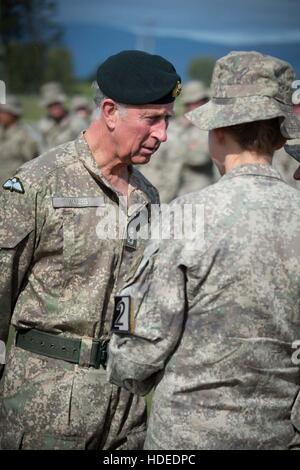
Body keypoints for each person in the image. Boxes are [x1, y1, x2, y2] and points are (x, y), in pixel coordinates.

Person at [108, 51, 300, 449]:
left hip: (188, 438)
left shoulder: (185, 216)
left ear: (216, 132)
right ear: (282, 138)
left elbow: (138, 354)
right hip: (278, 436)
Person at [0, 50, 181, 449]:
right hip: (43, 403)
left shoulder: (146, 195)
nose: (163, 134)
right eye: (152, 119)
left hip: (125, 410)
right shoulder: (39, 183)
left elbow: (137, 293)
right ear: (111, 112)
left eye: (167, 119)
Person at [140, 80, 218, 203]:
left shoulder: (211, 130)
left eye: (200, 102)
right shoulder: (171, 126)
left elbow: (201, 158)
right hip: (166, 194)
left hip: (198, 198)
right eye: (191, 103)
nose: (195, 106)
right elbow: (154, 160)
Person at [0, 95, 39, 184]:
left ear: (13, 113)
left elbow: (32, 163)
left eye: (3, 112)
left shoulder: (26, 136)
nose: (0, 115)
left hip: (13, 186)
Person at [37, 83, 86, 151]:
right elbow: (42, 149)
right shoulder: (43, 124)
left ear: (62, 103)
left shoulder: (77, 122)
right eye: (50, 105)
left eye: (57, 104)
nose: (54, 108)